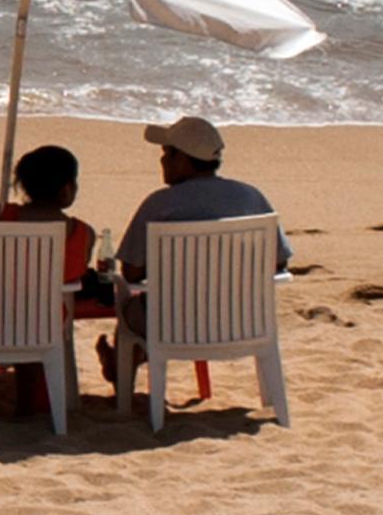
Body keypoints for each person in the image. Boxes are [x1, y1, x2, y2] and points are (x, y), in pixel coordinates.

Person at [103, 114, 289, 401]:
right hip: (242, 321)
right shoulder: (251, 198)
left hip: (172, 325)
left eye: (166, 154)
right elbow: (278, 262)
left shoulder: (159, 204)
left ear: (183, 159)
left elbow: (131, 272)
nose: (162, 161)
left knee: (134, 307)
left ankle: (123, 376)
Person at [0, 143, 103, 421]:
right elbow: (75, 275)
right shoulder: (80, 233)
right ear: (67, 189)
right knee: (34, 313)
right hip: (38, 327)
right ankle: (25, 408)